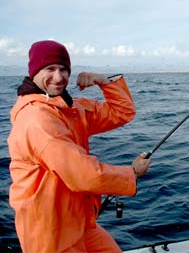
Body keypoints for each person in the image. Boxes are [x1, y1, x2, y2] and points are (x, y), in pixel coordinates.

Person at [7, 40, 151, 253]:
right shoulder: (36, 119)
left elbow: (122, 113)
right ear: (34, 72)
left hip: (79, 221)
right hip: (49, 232)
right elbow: (83, 174)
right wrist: (131, 173)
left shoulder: (70, 109)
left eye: (63, 69)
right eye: (50, 69)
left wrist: (104, 82)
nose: (58, 77)